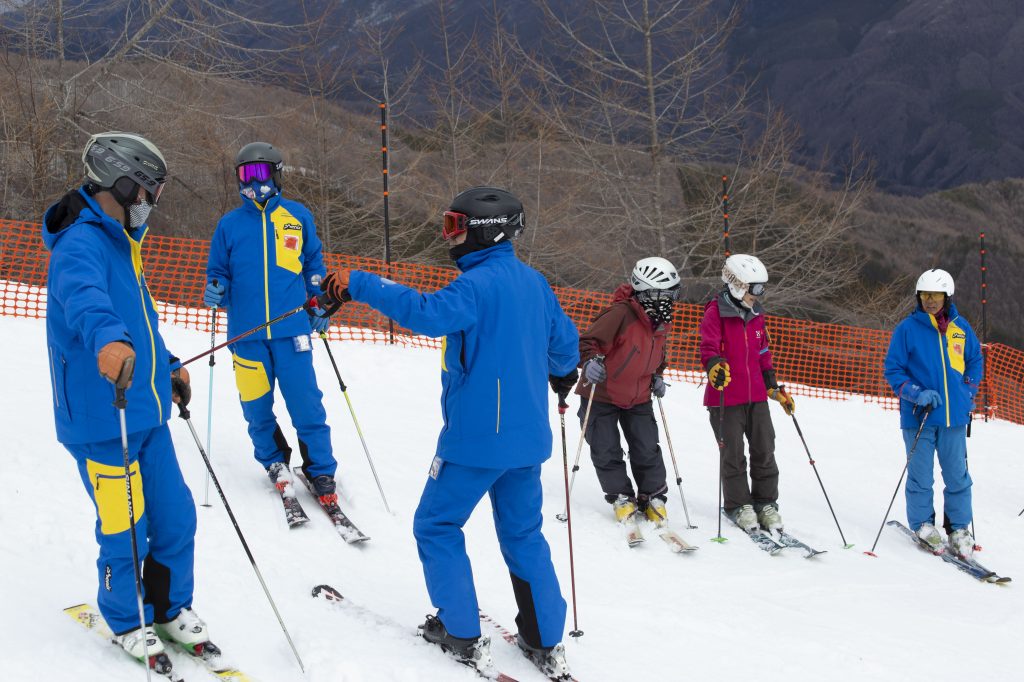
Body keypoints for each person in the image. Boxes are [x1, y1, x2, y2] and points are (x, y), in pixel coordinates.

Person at [320, 187, 579, 680]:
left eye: (456, 225)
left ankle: (459, 632)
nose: (450, 235)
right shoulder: (535, 284)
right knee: (523, 534)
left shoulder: (476, 287)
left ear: (485, 231)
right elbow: (564, 349)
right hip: (526, 443)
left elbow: (424, 314)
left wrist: (360, 283)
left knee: (436, 525)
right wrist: (558, 370)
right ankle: (544, 639)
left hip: (475, 442)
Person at [43, 132, 215, 671]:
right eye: (147, 192)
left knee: (175, 517)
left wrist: (165, 369)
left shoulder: (122, 240)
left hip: (145, 411)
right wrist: (107, 341)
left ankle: (168, 608)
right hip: (102, 417)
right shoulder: (80, 243)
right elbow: (87, 302)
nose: (151, 203)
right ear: (121, 184)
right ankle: (126, 618)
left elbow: (142, 325)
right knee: (125, 527)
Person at [204, 142, 339, 507]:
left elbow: (313, 264)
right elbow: (217, 270)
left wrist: (320, 302)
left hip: (292, 330)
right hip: (246, 336)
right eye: (246, 174)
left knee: (307, 403)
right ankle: (274, 461)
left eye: (261, 173)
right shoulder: (229, 224)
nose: (254, 182)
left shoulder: (297, 216)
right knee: (256, 407)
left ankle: (320, 468)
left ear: (277, 174)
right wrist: (217, 287)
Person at [883, 268, 982, 557]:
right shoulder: (907, 329)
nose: (930, 301)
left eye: (936, 295)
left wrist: (967, 391)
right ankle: (924, 524)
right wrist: (915, 393)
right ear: (919, 297)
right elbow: (894, 371)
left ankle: (960, 527)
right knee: (920, 476)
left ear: (946, 297)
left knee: (958, 475)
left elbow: (974, 361)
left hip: (953, 418)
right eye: (925, 295)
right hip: (919, 417)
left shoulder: (961, 328)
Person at [574, 257, 680, 525]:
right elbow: (587, 342)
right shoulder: (620, 314)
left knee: (646, 446)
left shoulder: (660, 321)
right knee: (606, 448)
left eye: (670, 294)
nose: (665, 300)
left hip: (639, 395)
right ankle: (621, 495)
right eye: (659, 294)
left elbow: (656, 355)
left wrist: (657, 376)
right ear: (642, 290)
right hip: (602, 392)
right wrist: (588, 364)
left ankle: (653, 496)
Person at [699, 254, 794, 533]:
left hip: (757, 397)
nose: (758, 295)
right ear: (738, 285)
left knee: (765, 449)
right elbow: (708, 349)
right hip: (726, 397)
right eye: (755, 289)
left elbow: (763, 353)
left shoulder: (756, 314)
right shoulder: (715, 312)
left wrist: (773, 386)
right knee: (734, 453)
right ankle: (738, 505)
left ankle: (765, 502)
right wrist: (715, 365)